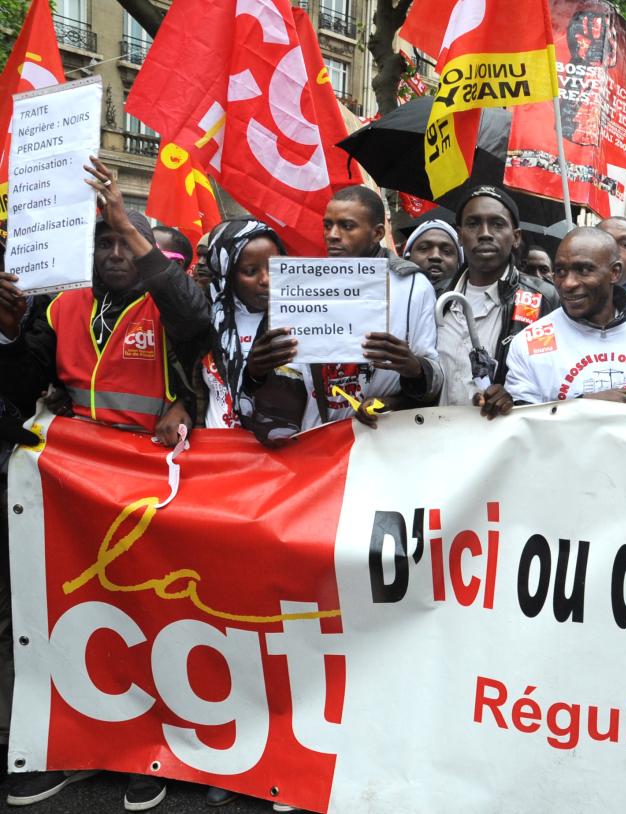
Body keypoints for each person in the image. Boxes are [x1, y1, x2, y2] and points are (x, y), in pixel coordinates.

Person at [0, 157, 210, 811]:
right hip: (71, 498)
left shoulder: (166, 305)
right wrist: (9, 331)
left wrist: (129, 222)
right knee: (68, 621)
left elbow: (201, 328)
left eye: (123, 239)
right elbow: (22, 386)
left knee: (148, 622)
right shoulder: (61, 306)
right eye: (103, 240)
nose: (114, 250)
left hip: (148, 496)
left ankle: (149, 751)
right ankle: (70, 749)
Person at [242, 186, 440, 444]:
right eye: (328, 226)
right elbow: (286, 377)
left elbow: (435, 378)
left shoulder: (411, 285)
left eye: (347, 226)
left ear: (377, 233)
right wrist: (258, 371)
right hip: (318, 443)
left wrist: (413, 370)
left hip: (386, 441)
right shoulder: (301, 285)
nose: (332, 235)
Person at [504, 227, 626, 408]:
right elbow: (522, 426)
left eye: (583, 270)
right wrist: (583, 406)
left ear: (615, 272)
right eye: (560, 271)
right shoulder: (529, 343)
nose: (568, 283)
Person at [437, 185, 558, 418]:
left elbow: (554, 380)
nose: (484, 233)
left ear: (516, 237)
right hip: (436, 440)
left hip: (506, 444)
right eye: (473, 224)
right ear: (460, 235)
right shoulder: (436, 296)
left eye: (497, 224)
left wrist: (513, 396)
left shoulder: (544, 298)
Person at [197, 219, 286, 430]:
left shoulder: (302, 320)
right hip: (218, 456)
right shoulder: (205, 319)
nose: (266, 279)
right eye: (251, 271)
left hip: (281, 455)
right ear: (228, 275)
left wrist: (256, 376)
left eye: (274, 268)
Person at [403, 218, 462, 294]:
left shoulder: (468, 302)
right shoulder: (392, 298)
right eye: (424, 248)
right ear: (408, 257)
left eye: (446, 251)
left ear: (459, 262)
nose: (435, 256)